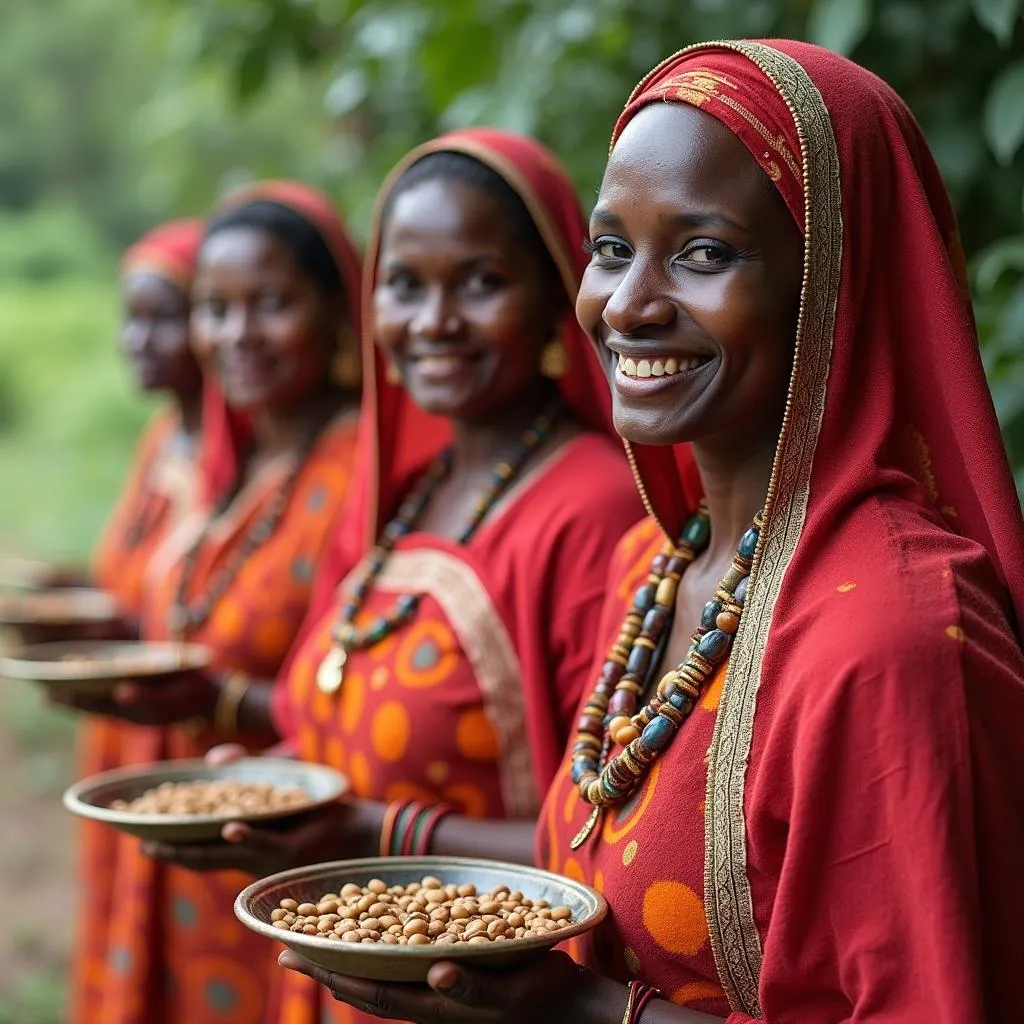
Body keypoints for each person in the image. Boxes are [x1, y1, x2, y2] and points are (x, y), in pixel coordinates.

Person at [279, 40, 1024, 1024]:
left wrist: (584, 1012)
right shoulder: (660, 565)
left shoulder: (885, 641)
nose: (627, 305)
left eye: (704, 252)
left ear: (833, 282)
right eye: (613, 249)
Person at [148, 128, 645, 1024]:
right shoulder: (405, 496)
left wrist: (371, 833)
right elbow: (326, 717)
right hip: (349, 971)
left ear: (558, 300)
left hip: (489, 992)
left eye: (481, 283)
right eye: (406, 285)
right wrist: (273, 784)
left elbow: (605, 830)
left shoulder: (591, 509)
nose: (433, 322)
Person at [73, 182, 364, 1024]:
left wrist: (223, 699)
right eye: (216, 308)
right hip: (180, 812)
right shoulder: (236, 461)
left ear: (337, 312)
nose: (238, 335)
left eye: (271, 304)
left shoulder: (362, 472)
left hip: (273, 847)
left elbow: (347, 696)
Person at [68, 218, 206, 1021]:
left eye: (163, 316)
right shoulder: (163, 441)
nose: (137, 339)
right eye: (131, 316)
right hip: (128, 733)